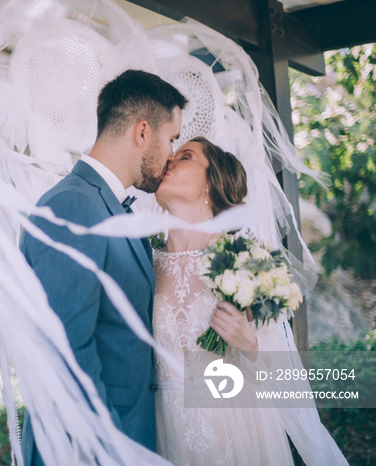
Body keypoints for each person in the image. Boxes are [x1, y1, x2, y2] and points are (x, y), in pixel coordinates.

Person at [19, 69, 187, 465]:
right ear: (142, 133)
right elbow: (66, 352)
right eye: (171, 139)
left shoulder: (111, 208)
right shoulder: (73, 205)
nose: (172, 155)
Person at [152, 136, 347, 465]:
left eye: (185, 156)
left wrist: (249, 343)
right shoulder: (147, 264)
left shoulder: (246, 261)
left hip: (236, 433)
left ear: (210, 186)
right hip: (163, 432)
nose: (170, 161)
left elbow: (284, 377)